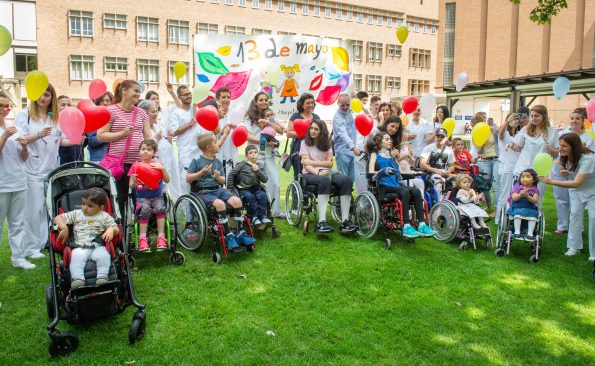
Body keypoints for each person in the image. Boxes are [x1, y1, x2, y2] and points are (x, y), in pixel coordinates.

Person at [17, 84, 73, 259]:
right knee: (33, 210)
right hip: (31, 169)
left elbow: (60, 140)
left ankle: (44, 242)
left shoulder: (55, 118)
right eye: (40, 94)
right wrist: (39, 135)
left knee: (47, 208)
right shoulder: (24, 115)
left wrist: (74, 140)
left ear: (52, 97)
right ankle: (30, 248)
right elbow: (19, 139)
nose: (43, 98)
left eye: (47, 94)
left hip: (51, 169)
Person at [186, 133, 256, 252]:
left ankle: (241, 233)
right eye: (215, 141)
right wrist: (202, 172)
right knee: (220, 204)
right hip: (203, 192)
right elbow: (188, 178)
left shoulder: (217, 161)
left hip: (218, 189)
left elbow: (223, 180)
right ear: (209, 147)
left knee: (237, 201)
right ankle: (228, 236)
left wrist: (218, 178)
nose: (218, 144)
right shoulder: (196, 161)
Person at [97, 80, 152, 216]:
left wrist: (151, 156)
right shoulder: (111, 110)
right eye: (136, 91)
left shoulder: (141, 113)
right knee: (120, 198)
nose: (138, 94)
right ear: (124, 91)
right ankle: (120, 230)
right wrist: (122, 134)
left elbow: (148, 137)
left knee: (140, 198)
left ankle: (140, 230)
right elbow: (100, 135)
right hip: (118, 165)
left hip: (138, 163)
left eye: (139, 92)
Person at [367, 132, 436, 238]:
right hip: (382, 186)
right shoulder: (374, 155)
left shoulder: (392, 155)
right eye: (386, 139)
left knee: (416, 191)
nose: (390, 141)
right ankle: (406, 226)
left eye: (390, 139)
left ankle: (422, 224)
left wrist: (412, 173)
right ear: (380, 143)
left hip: (395, 184)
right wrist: (383, 171)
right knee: (404, 191)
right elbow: (371, 172)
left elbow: (398, 172)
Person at [540, 133, 595, 260]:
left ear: (573, 146)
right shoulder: (564, 155)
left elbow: (576, 183)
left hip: (592, 191)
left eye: (564, 146)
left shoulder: (588, 159)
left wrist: (551, 181)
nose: (560, 148)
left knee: (593, 218)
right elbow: (574, 177)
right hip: (577, 190)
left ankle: (594, 253)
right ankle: (574, 247)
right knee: (575, 215)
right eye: (559, 145)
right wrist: (568, 172)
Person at [300, 119, 358, 234]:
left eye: (316, 129)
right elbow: (306, 166)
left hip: (327, 171)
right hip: (309, 174)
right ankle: (321, 222)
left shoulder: (327, 143)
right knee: (324, 180)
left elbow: (329, 164)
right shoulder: (304, 143)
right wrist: (318, 172)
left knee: (346, 180)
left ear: (322, 131)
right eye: (311, 128)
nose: (313, 131)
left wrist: (312, 162)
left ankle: (345, 221)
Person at [53, 188, 118, 289]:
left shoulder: (104, 216)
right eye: (83, 204)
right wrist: (64, 227)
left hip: (98, 245)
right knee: (76, 258)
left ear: (100, 208)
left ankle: (102, 277)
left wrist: (111, 230)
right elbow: (57, 218)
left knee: (103, 256)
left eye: (90, 206)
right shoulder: (76, 214)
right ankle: (78, 279)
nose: (85, 208)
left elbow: (116, 229)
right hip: (80, 246)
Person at [0, 92, 33, 269]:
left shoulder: (15, 129)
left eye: (7, 106)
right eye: (1, 106)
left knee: (18, 221)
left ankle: (18, 257)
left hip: (19, 180)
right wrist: (4, 136)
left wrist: (25, 147)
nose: (5, 110)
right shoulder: (7, 132)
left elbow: (23, 157)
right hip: (2, 184)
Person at [551, 107, 595, 234]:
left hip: (577, 171)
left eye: (577, 118)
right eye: (572, 118)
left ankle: (577, 227)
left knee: (575, 200)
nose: (574, 121)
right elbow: (557, 152)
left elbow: (590, 155)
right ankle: (562, 225)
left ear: (583, 121)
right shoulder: (562, 133)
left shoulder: (590, 136)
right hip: (560, 168)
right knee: (560, 198)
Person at [505, 105, 558, 207]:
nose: (533, 118)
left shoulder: (552, 132)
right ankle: (514, 219)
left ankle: (535, 219)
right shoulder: (525, 129)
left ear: (544, 116)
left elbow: (556, 153)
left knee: (537, 199)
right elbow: (518, 147)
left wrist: (552, 150)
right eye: (532, 116)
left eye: (536, 116)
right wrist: (511, 145)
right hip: (523, 169)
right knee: (516, 197)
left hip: (540, 172)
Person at [245, 92, 285, 219]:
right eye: (261, 100)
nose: (263, 102)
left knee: (275, 183)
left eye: (266, 100)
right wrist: (264, 142)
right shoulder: (249, 117)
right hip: (255, 154)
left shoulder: (270, 115)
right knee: (256, 185)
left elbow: (280, 130)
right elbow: (246, 135)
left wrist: (269, 122)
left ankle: (275, 211)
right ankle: (258, 213)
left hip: (269, 155)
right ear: (255, 102)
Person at [128, 139, 170, 252]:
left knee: (160, 208)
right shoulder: (135, 166)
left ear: (154, 152)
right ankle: (142, 238)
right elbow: (131, 186)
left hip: (157, 197)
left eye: (149, 149)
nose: (145, 151)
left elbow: (167, 180)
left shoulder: (158, 165)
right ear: (139, 151)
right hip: (142, 198)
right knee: (145, 209)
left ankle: (161, 236)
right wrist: (133, 180)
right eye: (143, 149)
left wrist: (163, 169)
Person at [169, 85, 211, 195]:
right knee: (185, 182)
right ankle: (186, 208)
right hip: (185, 152)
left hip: (199, 150)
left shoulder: (196, 110)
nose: (189, 96)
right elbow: (174, 132)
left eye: (190, 93)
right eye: (185, 94)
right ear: (180, 97)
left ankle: (198, 207)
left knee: (200, 180)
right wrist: (189, 124)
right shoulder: (176, 113)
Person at [143, 92, 181, 200]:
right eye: (153, 112)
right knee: (159, 193)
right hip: (156, 165)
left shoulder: (157, 125)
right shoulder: (143, 129)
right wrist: (156, 139)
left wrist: (168, 139)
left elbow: (164, 142)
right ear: (145, 114)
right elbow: (144, 148)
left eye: (156, 111)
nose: (156, 114)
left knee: (171, 187)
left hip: (168, 160)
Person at [227, 145, 271, 227]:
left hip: (256, 188)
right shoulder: (242, 164)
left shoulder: (260, 165)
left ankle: (262, 216)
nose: (253, 154)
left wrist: (257, 170)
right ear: (246, 156)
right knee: (250, 198)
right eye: (250, 153)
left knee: (263, 196)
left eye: (255, 152)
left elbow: (265, 180)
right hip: (244, 189)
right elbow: (231, 174)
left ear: (258, 154)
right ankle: (254, 217)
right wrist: (230, 188)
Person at [287, 93, 320, 181]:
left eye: (312, 103)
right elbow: (288, 133)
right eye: (308, 103)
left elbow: (320, 132)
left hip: (314, 150)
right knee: (299, 174)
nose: (310, 105)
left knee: (313, 172)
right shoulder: (296, 116)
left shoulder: (316, 117)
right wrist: (305, 133)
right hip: (298, 151)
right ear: (302, 104)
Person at [472, 113, 499, 216]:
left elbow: (500, 141)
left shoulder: (493, 130)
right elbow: (478, 151)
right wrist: (481, 145)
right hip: (484, 160)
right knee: (485, 186)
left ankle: (497, 210)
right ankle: (488, 206)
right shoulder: (475, 133)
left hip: (496, 159)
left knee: (496, 186)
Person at [496, 112, 521, 223]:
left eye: (516, 119)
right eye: (512, 119)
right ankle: (499, 219)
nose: (514, 121)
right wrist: (507, 121)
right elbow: (500, 133)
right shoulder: (505, 133)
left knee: (515, 194)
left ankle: (511, 217)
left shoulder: (521, 133)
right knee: (505, 194)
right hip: (507, 166)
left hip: (519, 167)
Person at [420, 128, 456, 196]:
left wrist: (449, 171)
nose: (439, 138)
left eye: (442, 137)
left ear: (446, 138)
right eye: (438, 136)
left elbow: (452, 165)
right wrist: (435, 170)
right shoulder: (428, 148)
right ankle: (439, 204)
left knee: (458, 180)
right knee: (438, 180)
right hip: (430, 173)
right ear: (435, 137)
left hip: (445, 173)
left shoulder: (449, 150)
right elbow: (422, 164)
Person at [333, 93, 360, 181]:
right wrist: (353, 147)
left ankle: (348, 194)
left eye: (347, 104)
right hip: (342, 152)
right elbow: (343, 134)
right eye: (342, 105)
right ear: (338, 103)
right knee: (343, 180)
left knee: (352, 179)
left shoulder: (349, 113)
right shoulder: (338, 117)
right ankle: (341, 195)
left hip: (352, 152)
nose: (345, 107)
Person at [507, 169, 540, 241]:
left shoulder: (535, 190)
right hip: (518, 207)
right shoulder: (517, 187)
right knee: (517, 215)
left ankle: (530, 233)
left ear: (534, 180)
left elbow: (535, 201)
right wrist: (520, 195)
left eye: (528, 176)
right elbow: (514, 198)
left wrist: (528, 196)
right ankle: (517, 231)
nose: (524, 178)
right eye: (522, 176)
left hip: (530, 208)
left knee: (533, 217)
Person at [215, 87, 240, 174]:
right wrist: (221, 131)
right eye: (223, 97)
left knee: (231, 184)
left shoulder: (235, 113)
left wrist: (236, 130)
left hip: (231, 153)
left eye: (228, 97)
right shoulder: (213, 114)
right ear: (217, 99)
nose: (226, 99)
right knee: (218, 183)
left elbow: (241, 136)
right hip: (218, 154)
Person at [57, 95, 85, 164]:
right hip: (61, 161)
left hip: (77, 160)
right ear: (56, 106)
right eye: (63, 105)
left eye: (69, 105)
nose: (66, 107)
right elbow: (56, 140)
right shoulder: (54, 123)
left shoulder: (77, 121)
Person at [398, 129, 425, 196]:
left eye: (408, 133)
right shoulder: (396, 146)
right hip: (400, 173)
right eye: (406, 133)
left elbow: (411, 163)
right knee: (410, 183)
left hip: (408, 172)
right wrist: (406, 155)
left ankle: (421, 203)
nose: (408, 135)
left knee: (420, 183)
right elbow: (395, 160)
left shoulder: (408, 145)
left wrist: (410, 155)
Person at [87, 92, 112, 162]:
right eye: (102, 101)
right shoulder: (93, 119)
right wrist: (108, 135)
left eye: (108, 100)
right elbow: (92, 141)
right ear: (98, 103)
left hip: (115, 160)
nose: (105, 103)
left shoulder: (117, 118)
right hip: (98, 159)